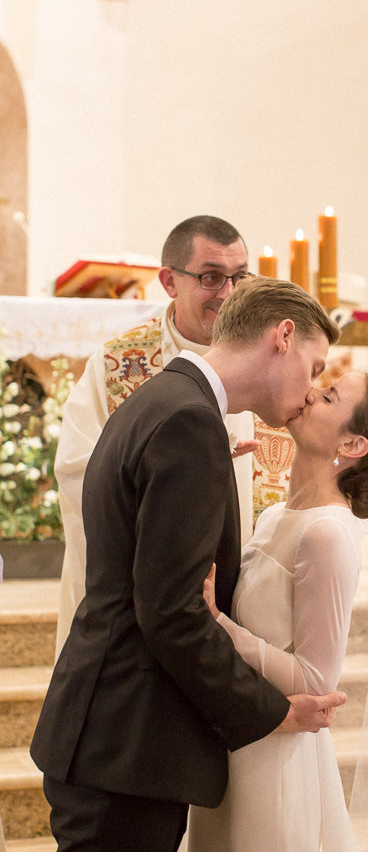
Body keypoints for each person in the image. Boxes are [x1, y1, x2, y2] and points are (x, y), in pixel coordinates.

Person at [30, 276, 345, 852]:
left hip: (112, 732)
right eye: (315, 365)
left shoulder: (166, 398)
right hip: (129, 741)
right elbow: (172, 615)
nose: (311, 388)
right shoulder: (188, 423)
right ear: (282, 336)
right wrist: (272, 711)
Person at [186, 369, 368, 851]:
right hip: (235, 738)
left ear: (353, 445)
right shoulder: (277, 515)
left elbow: (315, 682)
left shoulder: (328, 534)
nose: (311, 392)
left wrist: (219, 625)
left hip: (273, 760)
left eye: (329, 396)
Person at [54, 214, 258, 654]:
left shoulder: (266, 356)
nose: (228, 294)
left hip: (247, 597)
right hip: (144, 607)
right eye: (211, 277)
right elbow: (78, 473)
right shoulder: (116, 367)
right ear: (169, 280)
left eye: (239, 277)